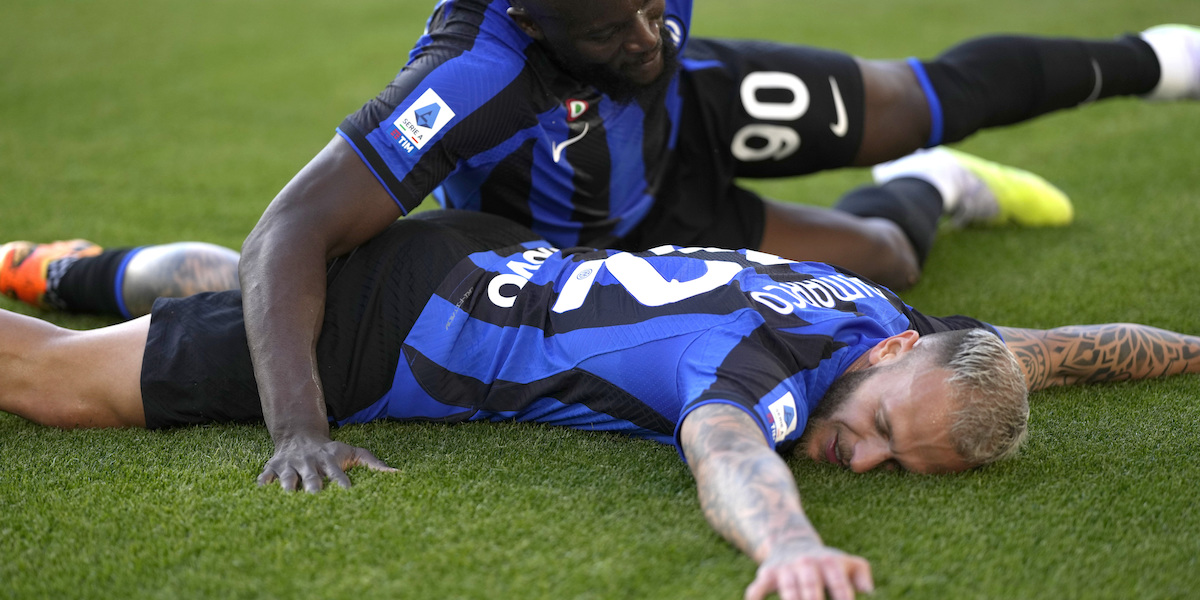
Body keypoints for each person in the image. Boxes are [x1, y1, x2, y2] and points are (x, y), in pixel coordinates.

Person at [5, 210, 1200, 600]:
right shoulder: (749, 377)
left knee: (224, 281)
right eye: (880, 430)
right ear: (894, 356)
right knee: (53, 387)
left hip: (476, 258)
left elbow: (1080, 348)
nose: (865, 460)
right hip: (374, 340)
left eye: (898, 465)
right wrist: (795, 549)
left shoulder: (893, 331)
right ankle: (59, 304)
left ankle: (68, 267)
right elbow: (731, 456)